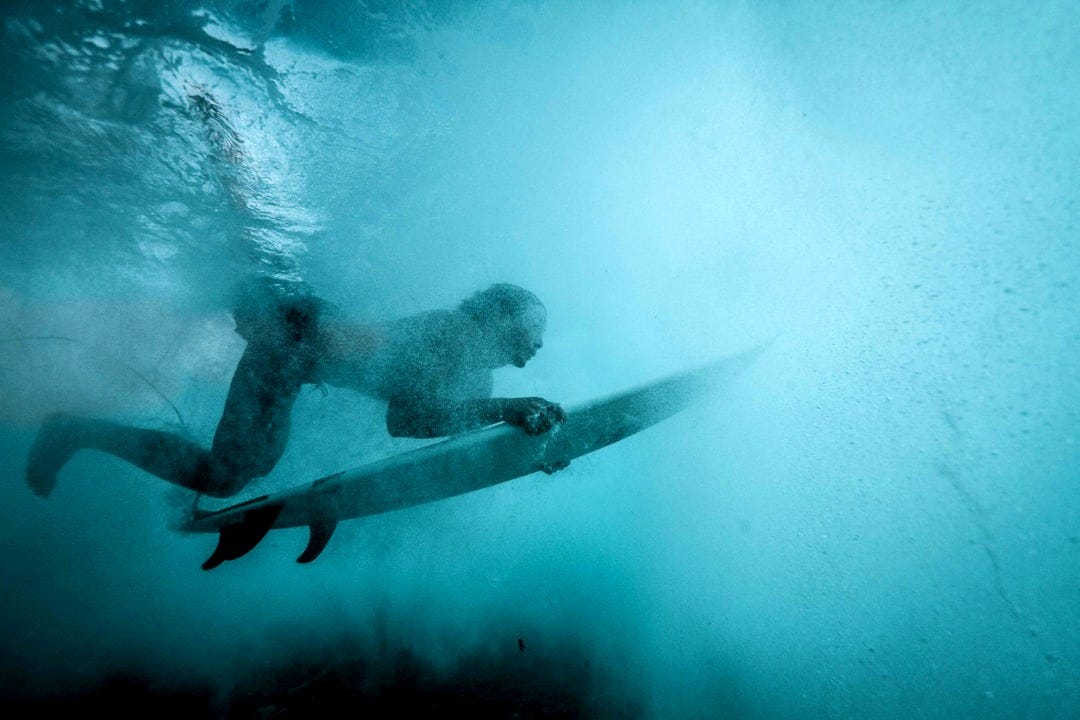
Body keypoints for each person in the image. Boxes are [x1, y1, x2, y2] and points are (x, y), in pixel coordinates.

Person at [25, 280, 567, 499]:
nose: (539, 344)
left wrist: (520, 450)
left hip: (307, 346)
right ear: (495, 321)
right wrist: (511, 411)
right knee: (228, 475)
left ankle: (85, 432)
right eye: (531, 331)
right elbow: (407, 420)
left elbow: (449, 423)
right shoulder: (453, 335)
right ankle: (75, 431)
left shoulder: (479, 371)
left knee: (249, 467)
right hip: (290, 340)